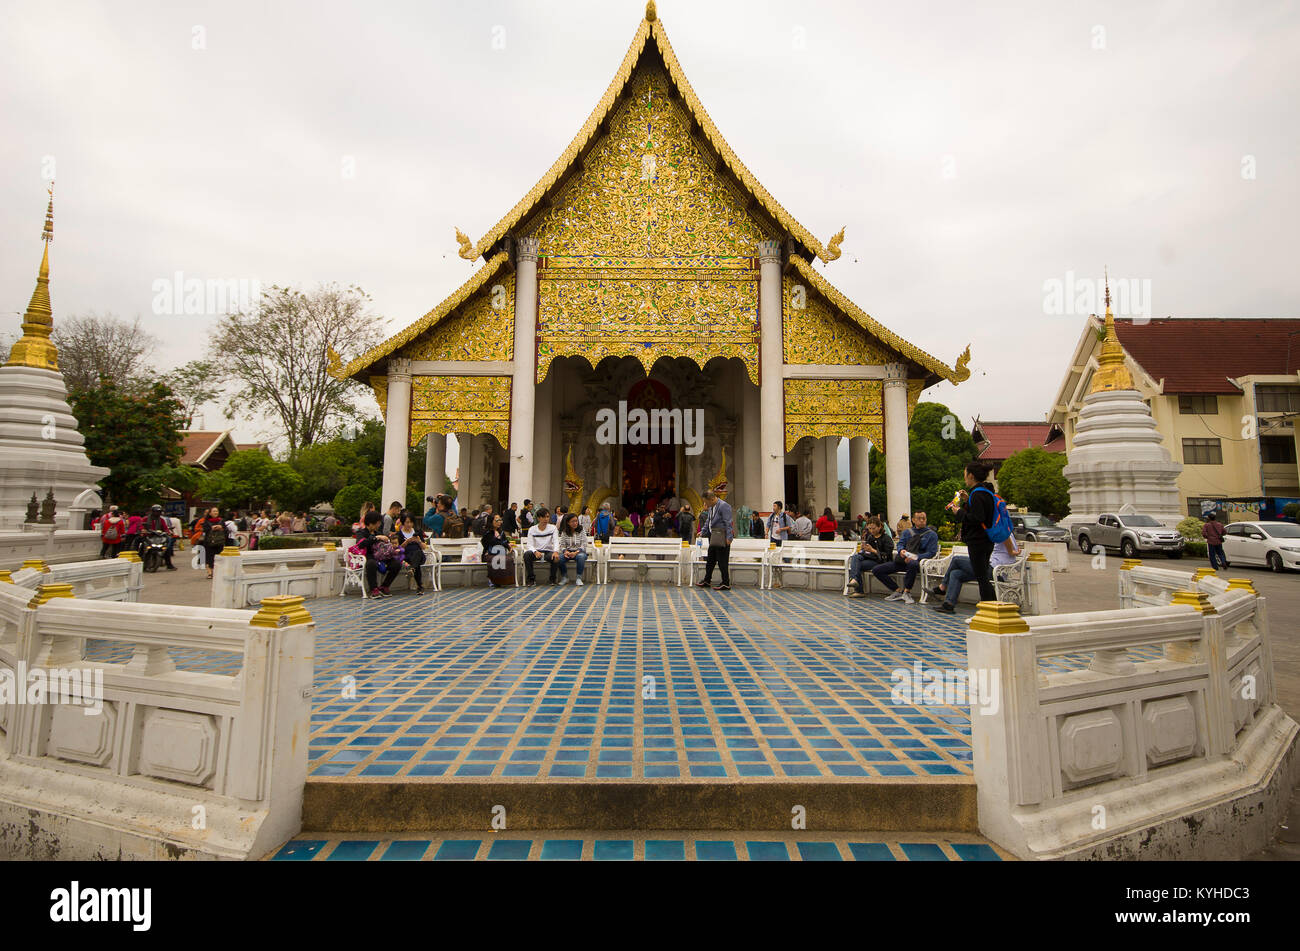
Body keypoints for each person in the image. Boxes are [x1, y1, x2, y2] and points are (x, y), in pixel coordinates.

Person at [931, 534, 1021, 613]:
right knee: (956, 574)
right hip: (988, 568)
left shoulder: (1003, 531)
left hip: (995, 571)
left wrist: (1011, 551)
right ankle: (949, 604)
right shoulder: (998, 532)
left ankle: (942, 587)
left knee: (956, 559)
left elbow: (1006, 537)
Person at [951, 461, 1000, 603]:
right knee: (982, 575)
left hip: (978, 540)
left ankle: (989, 606)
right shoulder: (986, 492)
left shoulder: (978, 494)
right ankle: (993, 605)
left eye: (965, 475)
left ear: (971, 476)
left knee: (981, 577)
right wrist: (968, 501)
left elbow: (977, 518)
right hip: (987, 539)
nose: (964, 478)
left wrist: (959, 512)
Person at [871, 510, 939, 604]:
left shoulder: (931, 535)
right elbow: (900, 544)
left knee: (912, 564)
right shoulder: (907, 532)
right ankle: (898, 591)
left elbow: (931, 552)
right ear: (913, 520)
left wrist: (915, 557)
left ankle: (907, 592)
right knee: (877, 570)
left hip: (919, 563)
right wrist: (901, 551)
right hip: (903, 561)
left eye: (924, 518)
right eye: (919, 518)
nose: (922, 520)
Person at [354, 510, 402, 598]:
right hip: (368, 557)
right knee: (371, 564)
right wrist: (376, 538)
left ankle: (384, 586)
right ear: (370, 523)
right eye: (377, 523)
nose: (379, 525)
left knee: (396, 564)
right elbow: (361, 544)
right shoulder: (361, 533)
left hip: (381, 557)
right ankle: (374, 589)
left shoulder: (378, 532)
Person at [695, 489, 734, 590]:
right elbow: (709, 521)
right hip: (713, 537)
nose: (705, 504)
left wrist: (729, 537)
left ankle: (725, 582)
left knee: (722, 561)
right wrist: (703, 531)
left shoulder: (723, 506)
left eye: (706, 502)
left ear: (712, 499)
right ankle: (707, 580)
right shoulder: (712, 507)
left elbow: (728, 522)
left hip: (722, 537)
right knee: (710, 560)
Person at [846, 518, 893, 597]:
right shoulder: (870, 537)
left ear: (879, 527)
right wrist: (864, 549)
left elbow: (887, 555)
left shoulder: (886, 538)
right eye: (870, 528)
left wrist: (872, 550)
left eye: (873, 528)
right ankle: (854, 580)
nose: (871, 530)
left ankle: (858, 588)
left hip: (880, 561)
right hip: (869, 558)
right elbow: (866, 552)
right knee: (856, 557)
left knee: (857, 565)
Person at [393, 514, 429, 594]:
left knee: (418, 554)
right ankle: (420, 586)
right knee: (416, 563)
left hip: (419, 555)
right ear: (403, 523)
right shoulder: (399, 534)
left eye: (411, 522)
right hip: (406, 556)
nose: (409, 524)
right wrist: (406, 542)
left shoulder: (417, 532)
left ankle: (412, 569)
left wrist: (418, 541)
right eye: (407, 522)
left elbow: (424, 547)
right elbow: (398, 548)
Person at [524, 507, 560, 585]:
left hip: (548, 551)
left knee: (555, 557)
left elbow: (556, 541)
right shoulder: (532, 529)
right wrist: (535, 551)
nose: (546, 519)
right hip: (536, 551)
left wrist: (556, 551)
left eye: (547, 517)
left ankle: (552, 579)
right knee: (527, 555)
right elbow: (529, 544)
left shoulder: (553, 528)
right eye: (543, 517)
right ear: (539, 518)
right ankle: (531, 578)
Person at [556, 512, 589, 586]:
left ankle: (579, 578)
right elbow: (562, 544)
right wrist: (565, 551)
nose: (575, 523)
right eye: (573, 521)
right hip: (568, 552)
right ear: (568, 522)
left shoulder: (581, 530)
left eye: (576, 521)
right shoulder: (564, 532)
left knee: (580, 557)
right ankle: (565, 577)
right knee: (560, 558)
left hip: (580, 551)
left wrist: (576, 552)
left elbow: (584, 544)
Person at [482, 513, 514, 586]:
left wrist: (509, 546)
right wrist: (506, 544)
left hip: (501, 553)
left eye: (500, 520)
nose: (499, 522)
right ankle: (493, 580)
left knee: (508, 559)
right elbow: (493, 542)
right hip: (489, 553)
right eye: (497, 520)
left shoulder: (501, 532)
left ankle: (504, 580)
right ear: (491, 521)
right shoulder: (487, 532)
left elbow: (505, 541)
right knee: (497, 559)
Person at [197, 506, 227, 580]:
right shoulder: (206, 521)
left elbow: (226, 531)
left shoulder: (221, 521)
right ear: (210, 513)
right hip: (209, 542)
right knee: (209, 558)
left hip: (219, 542)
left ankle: (218, 572)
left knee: (219, 557)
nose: (215, 512)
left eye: (216, 511)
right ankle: (210, 573)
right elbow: (204, 530)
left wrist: (221, 527)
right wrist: (211, 528)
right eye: (214, 511)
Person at [143, 504, 177, 570]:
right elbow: (142, 526)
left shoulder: (161, 520)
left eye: (159, 512)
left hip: (158, 537)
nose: (157, 513)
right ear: (152, 511)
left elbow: (165, 528)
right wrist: (144, 530)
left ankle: (169, 565)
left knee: (166, 549)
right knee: (142, 547)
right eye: (156, 511)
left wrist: (168, 532)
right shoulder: (146, 519)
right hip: (148, 537)